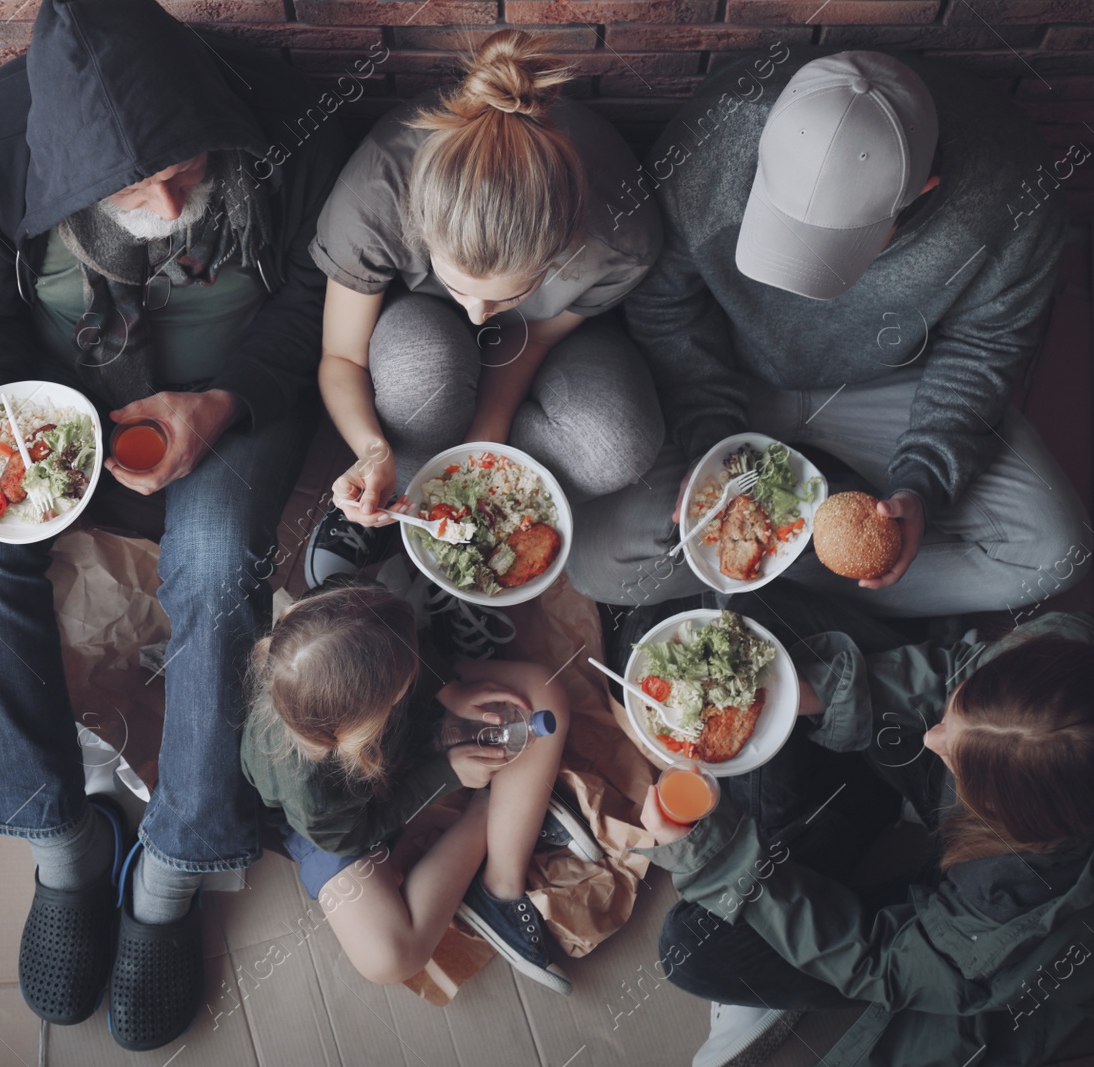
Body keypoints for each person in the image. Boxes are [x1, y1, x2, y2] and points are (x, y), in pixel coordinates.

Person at [0, 0, 345, 1049]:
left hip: (230, 403)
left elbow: (319, 289)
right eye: (130, 183)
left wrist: (229, 400)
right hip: (61, 409)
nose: (168, 196)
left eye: (186, 166)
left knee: (215, 554)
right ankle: (57, 834)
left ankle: (179, 857)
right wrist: (25, 428)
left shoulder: (291, 124)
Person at [568, 49, 1089, 617]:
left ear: (922, 192)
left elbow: (986, 348)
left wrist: (923, 484)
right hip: (732, 377)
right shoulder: (710, 141)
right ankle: (805, 565)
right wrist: (711, 440)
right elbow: (665, 307)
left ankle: (792, 573)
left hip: (896, 386)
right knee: (599, 561)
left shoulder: (1017, 192)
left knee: (1055, 552)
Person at [304, 28, 666, 651]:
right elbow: (340, 355)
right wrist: (368, 450)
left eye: (505, 293)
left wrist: (486, 434)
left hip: (547, 345)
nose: (478, 316)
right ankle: (409, 495)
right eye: (459, 283)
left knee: (619, 447)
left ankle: (448, 506)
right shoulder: (378, 191)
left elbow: (539, 338)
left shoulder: (621, 233)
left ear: (558, 255)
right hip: (415, 331)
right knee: (424, 373)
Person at [634, 584, 1094, 1067]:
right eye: (957, 709)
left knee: (692, 947)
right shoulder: (1064, 659)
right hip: (939, 786)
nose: (932, 735)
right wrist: (824, 695)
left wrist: (721, 860)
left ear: (1008, 817)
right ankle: (849, 809)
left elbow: (881, 960)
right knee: (763, 623)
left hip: (941, 921)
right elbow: (949, 674)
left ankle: (808, 848)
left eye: (955, 757)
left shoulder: (1015, 906)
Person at [242, 579, 602, 994]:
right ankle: (494, 811)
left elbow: (406, 643)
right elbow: (352, 835)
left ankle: (503, 882)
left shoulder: (336, 607)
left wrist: (450, 688)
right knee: (390, 957)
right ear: (372, 721)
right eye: (408, 675)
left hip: (395, 726)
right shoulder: (307, 790)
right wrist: (445, 775)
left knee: (543, 691)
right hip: (347, 823)